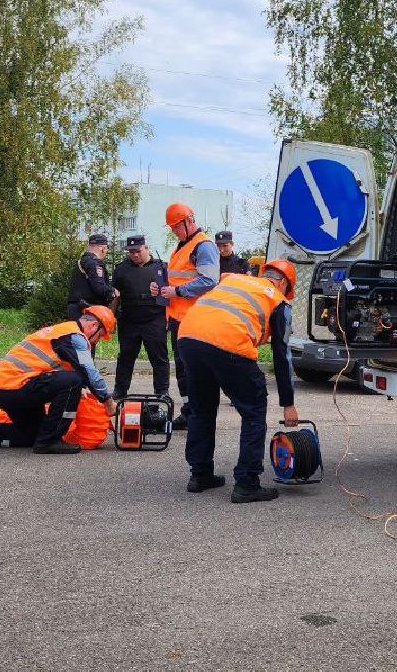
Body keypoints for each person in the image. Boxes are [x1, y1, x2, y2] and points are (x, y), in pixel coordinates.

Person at [176, 260, 300, 503]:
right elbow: (281, 353)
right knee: (253, 411)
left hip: (188, 337)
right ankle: (247, 484)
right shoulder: (277, 299)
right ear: (283, 283)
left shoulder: (233, 280)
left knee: (202, 409)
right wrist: (288, 403)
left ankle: (200, 475)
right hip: (229, 341)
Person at [0, 305, 117, 454]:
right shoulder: (75, 336)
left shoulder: (61, 331)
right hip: (16, 386)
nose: (96, 342)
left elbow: (71, 370)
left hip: (2, 389)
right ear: (93, 325)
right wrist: (107, 401)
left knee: (33, 435)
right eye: (100, 336)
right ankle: (50, 442)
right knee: (73, 381)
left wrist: (82, 388)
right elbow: (88, 371)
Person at [156, 203, 219, 430]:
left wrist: (178, 291)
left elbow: (209, 280)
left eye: (175, 227)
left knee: (195, 368)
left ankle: (200, 412)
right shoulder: (182, 246)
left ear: (188, 221)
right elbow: (177, 279)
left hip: (196, 319)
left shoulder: (203, 246)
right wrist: (162, 288)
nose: (173, 231)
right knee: (183, 368)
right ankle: (189, 410)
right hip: (178, 318)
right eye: (171, 228)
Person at [111, 234, 170, 398]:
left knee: (159, 358)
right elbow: (115, 296)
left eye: (138, 251)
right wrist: (110, 318)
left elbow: (169, 295)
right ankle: (120, 390)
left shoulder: (161, 267)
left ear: (146, 248)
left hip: (155, 318)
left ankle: (162, 392)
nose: (135, 255)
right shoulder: (121, 269)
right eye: (131, 252)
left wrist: (169, 318)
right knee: (125, 357)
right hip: (129, 320)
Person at [67, 234, 116, 320]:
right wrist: (113, 292)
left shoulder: (81, 261)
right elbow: (99, 288)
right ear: (103, 248)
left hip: (76, 308)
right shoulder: (94, 263)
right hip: (86, 311)